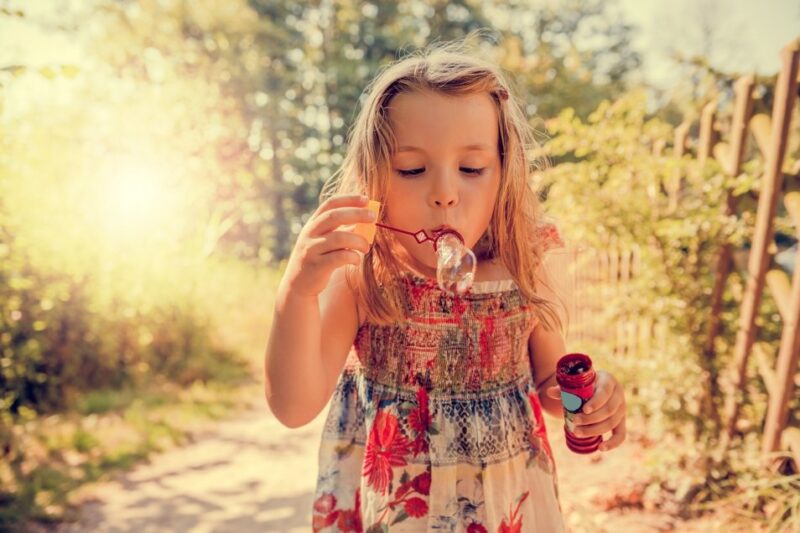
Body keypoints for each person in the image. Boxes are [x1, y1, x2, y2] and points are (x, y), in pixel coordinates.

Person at [264, 37, 627, 532]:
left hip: (507, 503)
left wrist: (590, 399)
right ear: (375, 176)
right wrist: (296, 293)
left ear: (504, 172)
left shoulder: (524, 259)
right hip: (397, 512)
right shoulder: (363, 272)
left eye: (472, 168)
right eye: (412, 169)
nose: (445, 194)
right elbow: (293, 405)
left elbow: (548, 385)